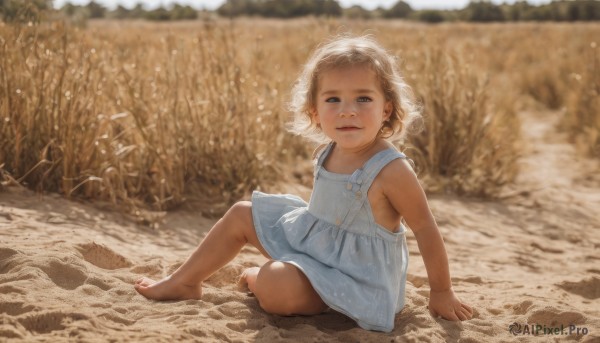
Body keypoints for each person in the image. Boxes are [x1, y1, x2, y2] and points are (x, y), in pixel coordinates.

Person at [134, 35, 473, 332]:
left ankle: (263, 279)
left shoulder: (391, 169)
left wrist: (441, 291)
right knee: (241, 213)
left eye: (363, 99)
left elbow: (426, 228)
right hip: (315, 248)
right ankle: (184, 282)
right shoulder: (329, 150)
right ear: (314, 111)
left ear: (387, 109)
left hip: (357, 280)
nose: (347, 111)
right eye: (333, 99)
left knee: (274, 283)